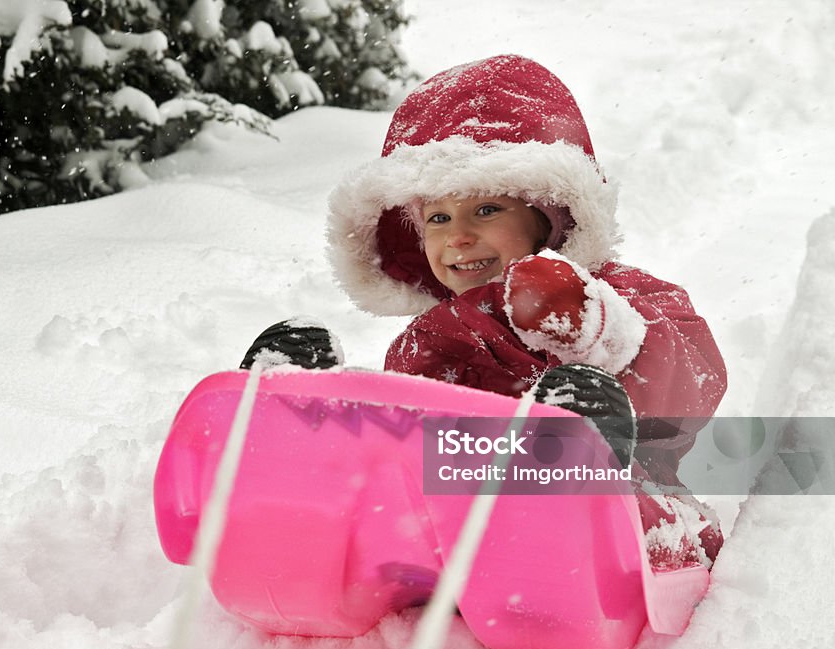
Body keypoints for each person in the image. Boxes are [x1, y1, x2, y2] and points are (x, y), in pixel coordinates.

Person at [245, 55, 727, 570]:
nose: (458, 236)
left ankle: (573, 496)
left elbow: (694, 377)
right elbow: (412, 441)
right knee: (384, 474)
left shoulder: (617, 294)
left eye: (486, 210)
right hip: (462, 525)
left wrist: (596, 330)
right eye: (437, 217)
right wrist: (339, 408)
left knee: (648, 519)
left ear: (548, 214)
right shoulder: (428, 338)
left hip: (623, 497)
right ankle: (292, 419)